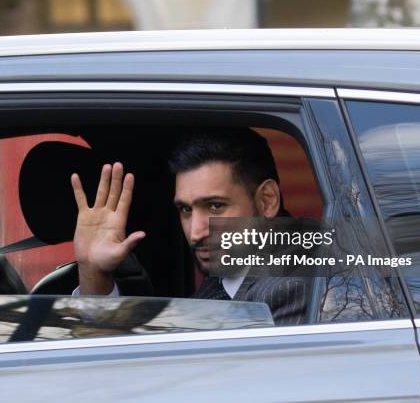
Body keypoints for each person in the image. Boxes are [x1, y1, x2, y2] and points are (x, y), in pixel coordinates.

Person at [70, 128, 308, 325]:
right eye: (186, 210)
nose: (196, 232)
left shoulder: (287, 287)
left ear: (267, 201)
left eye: (215, 206)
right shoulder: (233, 268)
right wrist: (94, 272)